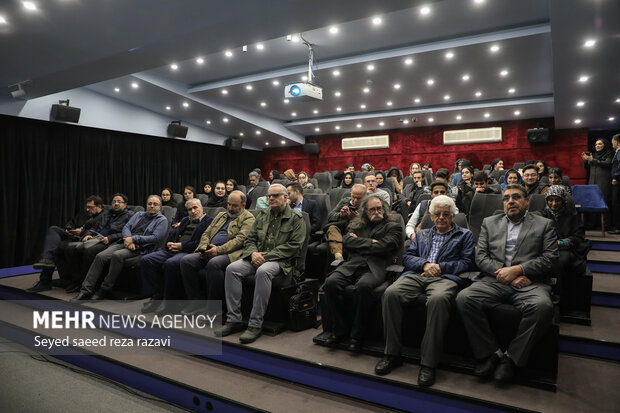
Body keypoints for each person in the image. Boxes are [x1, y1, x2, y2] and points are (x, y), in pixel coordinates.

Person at [456, 184, 559, 383]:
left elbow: (550, 258)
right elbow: (481, 256)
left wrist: (520, 270)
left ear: (526, 201)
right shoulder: (489, 222)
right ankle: (491, 353)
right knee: (464, 298)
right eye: (506, 198)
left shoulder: (544, 224)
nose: (510, 201)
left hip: (529, 282)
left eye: (516, 197)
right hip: (495, 279)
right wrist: (504, 273)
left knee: (543, 307)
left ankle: (512, 359)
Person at [376, 195, 475, 387]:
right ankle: (392, 354)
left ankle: (428, 363)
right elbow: (408, 257)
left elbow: (468, 262)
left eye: (445, 214)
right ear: (431, 216)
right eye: (437, 214)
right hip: (418, 274)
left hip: (445, 277)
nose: (441, 218)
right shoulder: (422, 234)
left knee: (438, 300)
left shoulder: (464, 235)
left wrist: (440, 267)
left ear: (453, 216)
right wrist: (426, 264)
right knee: (390, 294)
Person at [215, 184, 306, 344]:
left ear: (285, 197)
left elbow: (294, 246)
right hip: (257, 257)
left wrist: (267, 256)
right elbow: (249, 239)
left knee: (263, 271)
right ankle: (234, 319)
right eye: (269, 196)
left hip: (281, 262)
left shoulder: (297, 219)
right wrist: (253, 254)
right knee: (232, 269)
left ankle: (255, 324)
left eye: (275, 195)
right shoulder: (262, 215)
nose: (271, 198)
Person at [323, 195, 402, 351]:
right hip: (352, 265)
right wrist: (371, 243)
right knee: (330, 283)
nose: (376, 211)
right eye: (372, 209)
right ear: (365, 211)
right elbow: (347, 241)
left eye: (379, 208)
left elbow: (385, 246)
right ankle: (339, 330)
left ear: (384, 209)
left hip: (376, 267)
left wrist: (360, 243)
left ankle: (357, 335)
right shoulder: (357, 224)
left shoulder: (393, 226)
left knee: (363, 286)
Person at [72, 195, 169, 301]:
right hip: (125, 242)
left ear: (160, 207)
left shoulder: (162, 220)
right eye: (149, 203)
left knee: (117, 255)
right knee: (100, 256)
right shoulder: (139, 214)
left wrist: (134, 239)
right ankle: (85, 290)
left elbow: (155, 238)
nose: (152, 206)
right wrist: (128, 238)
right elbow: (126, 227)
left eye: (155, 204)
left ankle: (104, 289)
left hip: (141, 248)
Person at [179, 191, 255, 315]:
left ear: (243, 205)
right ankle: (196, 302)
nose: (230, 208)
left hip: (230, 253)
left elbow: (240, 240)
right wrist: (203, 248)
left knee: (214, 263)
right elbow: (206, 233)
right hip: (210, 249)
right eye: (228, 204)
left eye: (234, 206)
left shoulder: (248, 218)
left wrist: (218, 250)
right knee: (186, 261)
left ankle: (215, 308)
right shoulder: (221, 215)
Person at [139, 198, 212, 314]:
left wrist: (182, 246)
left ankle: (168, 301)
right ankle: (156, 295)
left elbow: (202, 243)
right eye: (189, 209)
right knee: (146, 260)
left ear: (202, 208)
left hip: (188, 251)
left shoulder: (209, 222)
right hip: (172, 249)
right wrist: (169, 242)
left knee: (170, 263)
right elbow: (173, 234)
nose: (192, 211)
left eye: (195, 208)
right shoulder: (184, 220)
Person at [27, 196, 104, 292]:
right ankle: (46, 259)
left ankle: (44, 282)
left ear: (99, 206)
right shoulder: (85, 212)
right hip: (71, 234)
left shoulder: (104, 216)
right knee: (53, 229)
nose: (87, 209)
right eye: (87, 207)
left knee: (54, 248)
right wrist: (68, 228)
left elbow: (99, 231)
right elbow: (72, 221)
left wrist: (82, 232)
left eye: (90, 207)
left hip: (83, 238)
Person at [62, 193, 133, 294]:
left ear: (125, 204)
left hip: (110, 242)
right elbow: (94, 227)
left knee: (89, 252)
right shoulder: (107, 213)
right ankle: (77, 279)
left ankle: (85, 282)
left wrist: (109, 238)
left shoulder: (129, 216)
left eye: (119, 202)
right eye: (114, 202)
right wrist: (88, 234)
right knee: (69, 249)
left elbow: (126, 233)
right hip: (96, 238)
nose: (116, 203)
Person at [541, 185, 591, 310]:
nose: (553, 203)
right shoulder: (542, 214)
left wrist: (561, 243)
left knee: (560, 261)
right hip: (545, 248)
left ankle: (558, 294)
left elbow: (578, 237)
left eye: (557, 200)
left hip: (566, 249)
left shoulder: (572, 215)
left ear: (563, 200)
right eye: (550, 200)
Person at [326, 184, 366, 265]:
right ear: (350, 194)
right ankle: (338, 257)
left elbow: (371, 225)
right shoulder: (345, 201)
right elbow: (329, 216)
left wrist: (357, 218)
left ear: (365, 197)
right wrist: (341, 215)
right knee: (332, 228)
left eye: (358, 198)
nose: (355, 200)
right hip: (342, 230)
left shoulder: (368, 205)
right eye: (353, 197)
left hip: (357, 232)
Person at [582, 138, 614, 228]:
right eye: (596, 144)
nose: (597, 146)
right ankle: (592, 224)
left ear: (605, 145)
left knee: (604, 203)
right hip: (592, 183)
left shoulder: (610, 153)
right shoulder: (594, 155)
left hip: (604, 183)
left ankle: (606, 225)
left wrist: (592, 160)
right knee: (593, 203)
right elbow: (587, 168)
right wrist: (585, 160)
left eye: (599, 144)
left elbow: (607, 163)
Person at [611, 134, 620, 234]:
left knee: (616, 204)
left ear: (616, 142)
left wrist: (616, 177)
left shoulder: (619, 152)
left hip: (617, 182)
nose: (612, 144)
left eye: (612, 142)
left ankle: (618, 228)